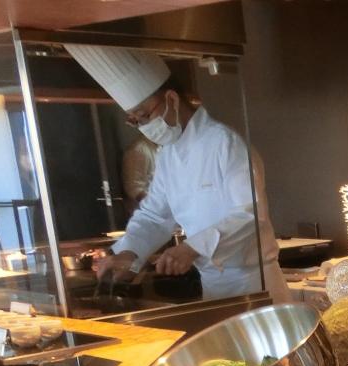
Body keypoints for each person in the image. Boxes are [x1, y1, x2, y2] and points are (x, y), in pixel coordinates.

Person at [66, 44, 288, 303]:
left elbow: (250, 215)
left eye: (144, 116)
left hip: (255, 282)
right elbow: (155, 215)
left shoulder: (225, 144)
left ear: (171, 99)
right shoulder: (168, 155)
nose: (142, 126)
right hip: (213, 285)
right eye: (135, 121)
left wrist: (192, 248)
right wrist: (129, 253)